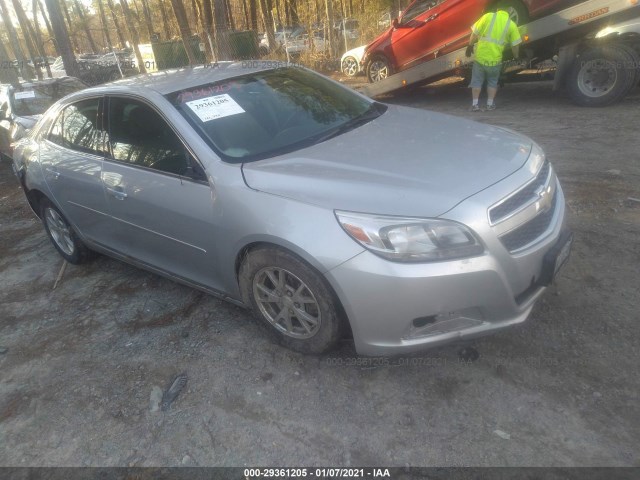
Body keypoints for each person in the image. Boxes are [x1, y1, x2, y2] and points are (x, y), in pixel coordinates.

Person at [466, 5, 522, 111]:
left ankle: (474, 105)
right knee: (492, 82)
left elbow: (474, 33)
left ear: (497, 10)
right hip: (495, 61)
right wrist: (516, 57)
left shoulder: (487, 17)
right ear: (509, 13)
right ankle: (490, 104)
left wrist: (470, 45)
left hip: (480, 58)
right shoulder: (511, 25)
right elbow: (515, 45)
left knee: (477, 82)